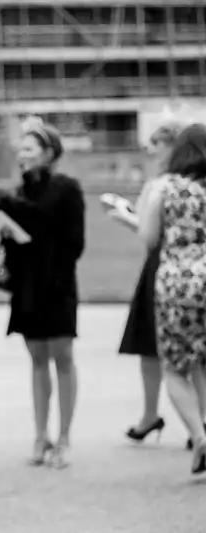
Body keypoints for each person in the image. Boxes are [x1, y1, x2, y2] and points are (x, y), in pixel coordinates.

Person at [0, 117, 85, 469]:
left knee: (63, 359)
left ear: (48, 153)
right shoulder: (19, 192)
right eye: (20, 148)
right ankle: (41, 436)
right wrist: (3, 224)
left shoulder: (67, 188)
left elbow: (71, 242)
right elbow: (19, 238)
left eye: (28, 148)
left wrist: (7, 206)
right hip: (26, 287)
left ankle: (66, 439)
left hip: (57, 286)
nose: (21, 154)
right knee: (38, 361)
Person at [139, 122, 206, 475]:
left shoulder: (167, 187)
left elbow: (149, 237)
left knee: (176, 368)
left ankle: (199, 436)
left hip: (179, 281)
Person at [116, 121, 188, 445]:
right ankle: (194, 422)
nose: (151, 150)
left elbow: (149, 235)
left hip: (164, 267)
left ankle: (153, 415)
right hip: (191, 270)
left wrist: (123, 216)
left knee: (152, 348)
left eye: (157, 143)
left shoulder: (162, 185)